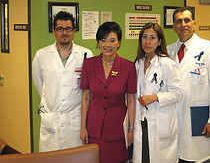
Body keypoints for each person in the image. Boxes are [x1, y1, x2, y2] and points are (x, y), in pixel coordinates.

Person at [167, 7, 210, 162]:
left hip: (201, 119)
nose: (183, 24)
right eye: (179, 21)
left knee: (201, 158)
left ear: (194, 23)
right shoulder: (168, 51)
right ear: (174, 26)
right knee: (177, 157)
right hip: (174, 119)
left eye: (187, 20)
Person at [32, 11, 93, 152]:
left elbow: (88, 90)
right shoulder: (41, 55)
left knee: (76, 158)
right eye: (60, 29)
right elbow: (39, 84)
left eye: (68, 29)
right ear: (54, 31)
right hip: (51, 120)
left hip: (75, 121)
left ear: (74, 31)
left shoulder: (86, 54)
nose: (64, 32)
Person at [80, 22, 137, 163]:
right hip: (94, 129)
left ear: (119, 43)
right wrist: (83, 127)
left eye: (112, 40)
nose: (108, 45)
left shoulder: (128, 67)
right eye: (103, 40)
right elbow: (85, 98)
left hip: (117, 129)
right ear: (98, 43)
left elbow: (131, 100)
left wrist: (131, 129)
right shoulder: (89, 64)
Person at [133, 22, 183, 163]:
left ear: (160, 41)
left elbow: (178, 93)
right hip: (142, 121)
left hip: (160, 122)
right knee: (144, 158)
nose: (148, 42)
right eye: (144, 37)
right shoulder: (139, 63)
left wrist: (155, 97)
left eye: (152, 38)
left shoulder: (167, 63)